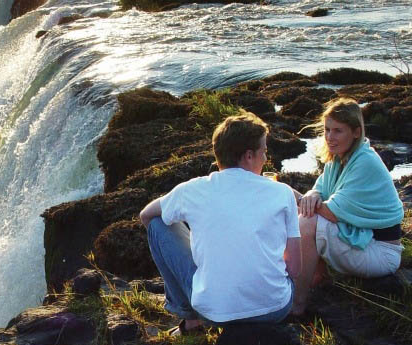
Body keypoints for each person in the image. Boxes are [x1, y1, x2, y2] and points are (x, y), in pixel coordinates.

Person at [140, 111, 301, 333]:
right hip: (273, 310)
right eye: (264, 152)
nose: (266, 159)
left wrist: (199, 254)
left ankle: (191, 321)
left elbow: (146, 215)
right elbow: (294, 268)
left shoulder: (192, 189)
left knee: (159, 224)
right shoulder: (283, 193)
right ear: (248, 156)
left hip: (214, 313)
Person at [291, 98, 404, 315]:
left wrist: (296, 197)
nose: (330, 137)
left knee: (307, 221)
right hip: (364, 240)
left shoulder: (365, 162)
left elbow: (331, 213)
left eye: (338, 131)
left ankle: (298, 303)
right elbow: (319, 190)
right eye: (327, 130)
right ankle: (317, 277)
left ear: (356, 132)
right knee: (304, 211)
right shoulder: (338, 159)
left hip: (381, 253)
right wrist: (311, 194)